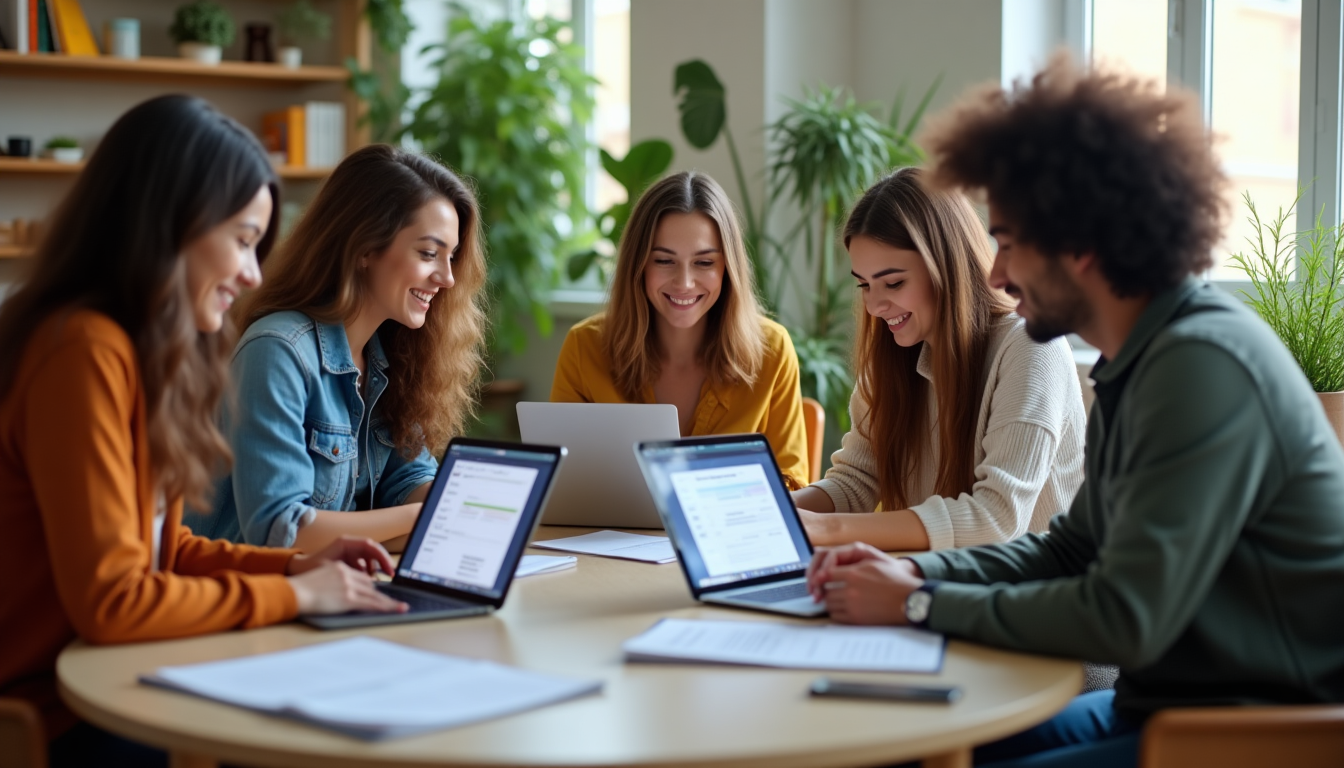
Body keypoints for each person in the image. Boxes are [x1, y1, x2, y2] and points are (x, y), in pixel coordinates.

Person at [807, 56, 1344, 768]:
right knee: (897, 751)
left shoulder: (1200, 366)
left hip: (1246, 733)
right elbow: (1068, 549)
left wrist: (917, 604)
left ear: (1079, 244)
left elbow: (1124, 617)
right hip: (1158, 706)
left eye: (1006, 242)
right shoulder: (1140, 361)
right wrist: (916, 577)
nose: (993, 273)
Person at [0, 96, 406, 767]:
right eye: (244, 240)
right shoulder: (81, 350)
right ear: (170, 225)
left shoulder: (130, 351)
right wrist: (295, 594)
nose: (252, 274)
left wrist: (297, 565)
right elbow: (114, 599)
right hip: (55, 714)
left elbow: (163, 549)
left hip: (106, 682)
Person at [185, 145, 487, 553]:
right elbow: (280, 529)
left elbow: (408, 482)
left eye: (451, 257)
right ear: (364, 248)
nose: (447, 278)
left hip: (327, 586)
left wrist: (459, 508)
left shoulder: (392, 354)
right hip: (244, 599)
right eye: (429, 253)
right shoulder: (278, 351)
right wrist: (427, 517)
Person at [790, 168, 1086, 551]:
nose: (875, 306)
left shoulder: (1031, 346)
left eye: (893, 282)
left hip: (1029, 599)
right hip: (932, 587)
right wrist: (772, 513)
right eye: (864, 284)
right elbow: (855, 482)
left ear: (946, 266)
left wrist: (828, 530)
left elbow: (996, 517)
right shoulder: (894, 355)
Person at [551, 171, 810, 489]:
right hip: (608, 537)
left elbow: (792, 484)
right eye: (664, 261)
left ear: (727, 268)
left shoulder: (772, 349)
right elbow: (563, 482)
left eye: (704, 263)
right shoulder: (584, 347)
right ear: (639, 264)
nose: (684, 283)